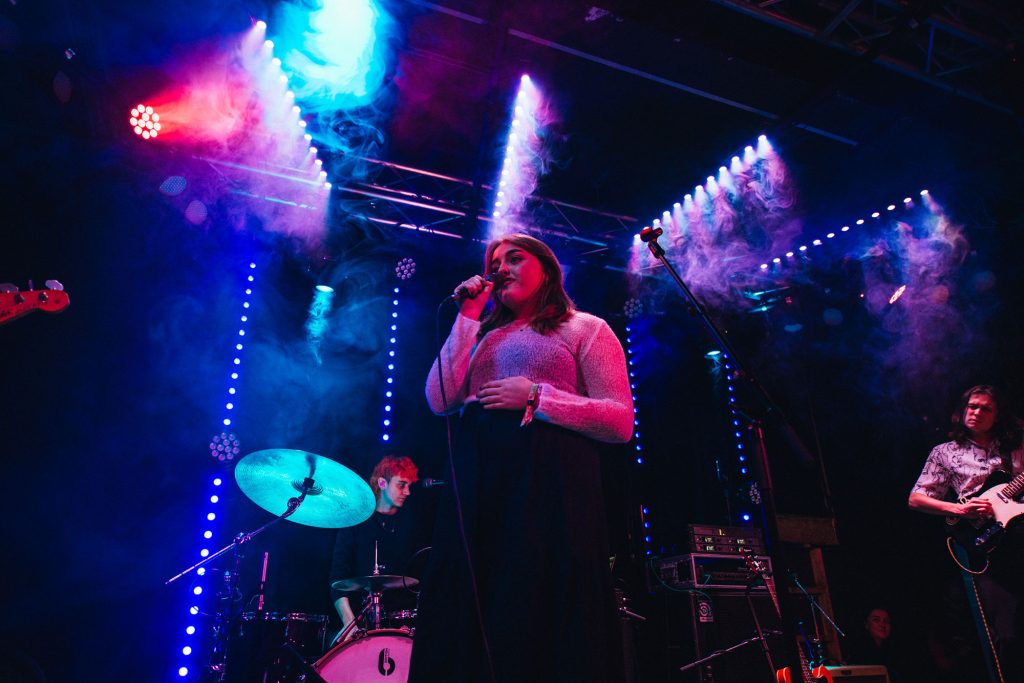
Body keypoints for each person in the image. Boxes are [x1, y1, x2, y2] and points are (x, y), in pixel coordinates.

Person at [409, 233, 634, 682]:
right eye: (495, 263)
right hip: (480, 484)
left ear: (546, 269)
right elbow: (439, 398)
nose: (501, 269)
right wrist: (468, 316)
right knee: (475, 599)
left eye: (514, 259)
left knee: (541, 600)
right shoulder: (481, 335)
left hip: (550, 486)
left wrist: (536, 396)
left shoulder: (585, 328)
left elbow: (620, 420)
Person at [909, 384, 1024, 681]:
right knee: (1003, 632)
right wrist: (959, 509)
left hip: (1018, 531)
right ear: (962, 411)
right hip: (984, 543)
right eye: (973, 406)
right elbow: (916, 498)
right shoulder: (944, 453)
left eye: (986, 408)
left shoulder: (1014, 446)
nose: (977, 412)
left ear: (998, 415)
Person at [328, 455, 422, 637]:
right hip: (361, 624)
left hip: (403, 624)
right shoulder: (355, 523)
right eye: (401, 485)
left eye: (409, 486)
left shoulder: (412, 526)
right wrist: (349, 623)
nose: (407, 492)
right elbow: (337, 579)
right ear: (382, 483)